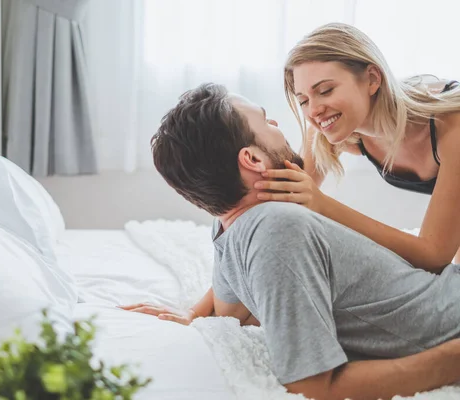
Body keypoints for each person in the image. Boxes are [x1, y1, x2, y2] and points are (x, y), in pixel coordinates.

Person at [120, 83, 460, 400]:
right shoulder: (273, 227)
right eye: (267, 121)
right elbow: (309, 384)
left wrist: (196, 313)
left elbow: (230, 311)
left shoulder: (234, 223)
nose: (279, 123)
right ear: (251, 159)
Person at [255, 22, 460, 274]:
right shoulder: (328, 130)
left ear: (373, 79)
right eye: (304, 100)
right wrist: (201, 308)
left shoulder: (452, 125)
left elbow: (434, 255)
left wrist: (322, 204)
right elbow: (278, 208)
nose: (314, 110)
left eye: (325, 90)